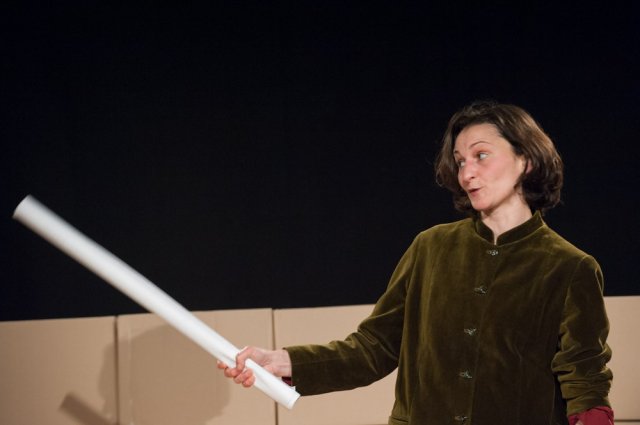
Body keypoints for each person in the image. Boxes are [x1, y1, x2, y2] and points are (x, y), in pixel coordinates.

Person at [218, 101, 614, 425]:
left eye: (481, 156)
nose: (467, 173)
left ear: (525, 159)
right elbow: (374, 347)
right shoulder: (431, 248)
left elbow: (584, 375)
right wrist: (281, 361)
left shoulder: (570, 267)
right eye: (460, 161)